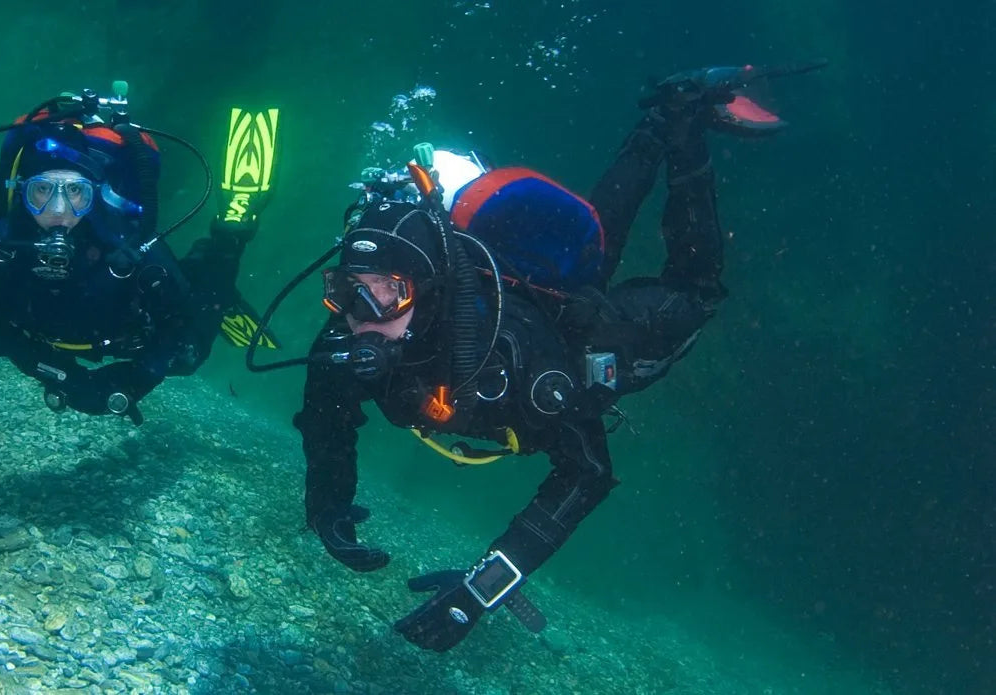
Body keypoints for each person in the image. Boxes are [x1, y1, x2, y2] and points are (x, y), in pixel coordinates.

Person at [292, 64, 820, 651]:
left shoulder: (516, 363)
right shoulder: (352, 332)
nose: (359, 315)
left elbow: (587, 472)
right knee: (592, 243)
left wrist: (479, 592)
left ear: (431, 288)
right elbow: (325, 410)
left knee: (695, 291)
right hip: (537, 281)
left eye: (386, 292)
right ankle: (658, 123)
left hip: (579, 341)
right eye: (345, 291)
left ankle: (685, 128)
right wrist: (328, 502)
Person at [0, 90, 279, 423]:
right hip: (68, 338)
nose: (57, 210)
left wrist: (136, 379)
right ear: (22, 192)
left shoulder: (129, 248)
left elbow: (180, 328)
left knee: (191, 349)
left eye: (74, 192)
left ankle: (230, 231)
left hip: (128, 335)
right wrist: (67, 378)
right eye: (42, 190)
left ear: (93, 196)